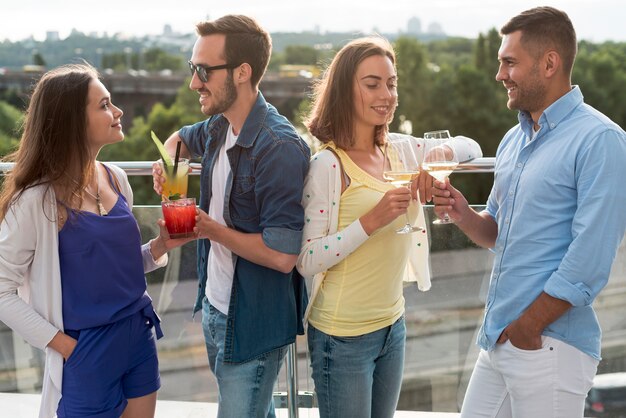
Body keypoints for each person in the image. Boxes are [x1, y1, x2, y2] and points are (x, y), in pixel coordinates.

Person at [431, 7, 626, 417]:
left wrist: (529, 326)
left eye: (509, 62)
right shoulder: (512, 140)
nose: (500, 74)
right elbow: (498, 233)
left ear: (550, 63)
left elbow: (589, 259)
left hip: (549, 344)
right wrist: (465, 213)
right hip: (501, 337)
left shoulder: (601, 140)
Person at [297, 36, 482, 418]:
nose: (387, 94)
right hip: (341, 336)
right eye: (372, 84)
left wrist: (442, 154)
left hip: (392, 325)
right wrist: (371, 221)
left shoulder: (399, 149)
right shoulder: (328, 165)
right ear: (345, 90)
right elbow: (307, 259)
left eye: (392, 83)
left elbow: (472, 146)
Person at [0, 63, 190, 418]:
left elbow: (113, 267)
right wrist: (66, 346)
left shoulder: (117, 179)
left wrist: (160, 247)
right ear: (72, 120)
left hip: (139, 334)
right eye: (103, 105)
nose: (117, 112)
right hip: (86, 349)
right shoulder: (36, 200)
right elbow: (1, 290)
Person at [151, 15, 310, 418]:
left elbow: (283, 255)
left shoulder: (278, 147)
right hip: (215, 306)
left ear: (242, 73)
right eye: (193, 69)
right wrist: (170, 159)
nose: (193, 83)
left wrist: (210, 229)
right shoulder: (221, 127)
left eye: (203, 71)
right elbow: (183, 138)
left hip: (252, 325)